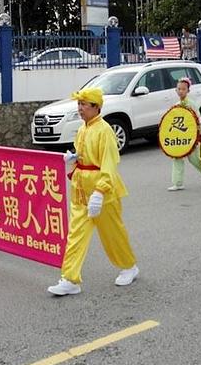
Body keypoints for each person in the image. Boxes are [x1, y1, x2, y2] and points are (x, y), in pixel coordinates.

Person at [48, 87, 139, 296]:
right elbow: (83, 155)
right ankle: (70, 278)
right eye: (79, 104)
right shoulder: (82, 129)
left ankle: (129, 266)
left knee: (112, 233)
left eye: (84, 104)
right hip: (81, 189)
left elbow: (109, 164)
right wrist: (74, 159)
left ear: (96, 107)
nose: (80, 108)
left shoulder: (105, 131)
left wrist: (100, 191)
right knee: (76, 233)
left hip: (102, 190)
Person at [168, 77, 201, 191]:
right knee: (177, 157)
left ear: (188, 91)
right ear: (176, 90)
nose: (181, 91)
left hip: (191, 136)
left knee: (194, 159)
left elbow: (198, 118)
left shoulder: (192, 104)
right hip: (180, 136)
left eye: (183, 89)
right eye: (179, 89)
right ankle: (178, 183)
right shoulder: (176, 105)